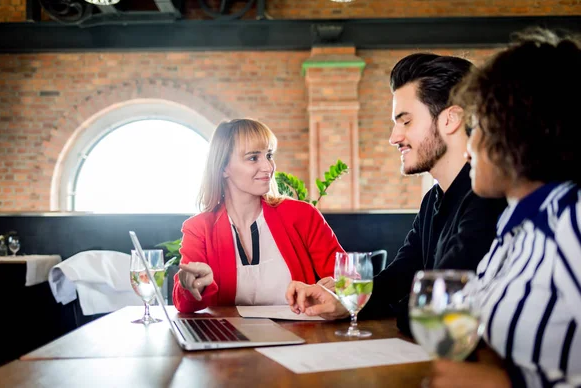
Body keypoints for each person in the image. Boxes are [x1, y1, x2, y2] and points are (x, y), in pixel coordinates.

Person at [286, 53, 507, 334]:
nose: (394, 137)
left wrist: (394, 305)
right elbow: (401, 274)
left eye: (406, 122)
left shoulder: (487, 197)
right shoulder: (433, 199)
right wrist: (345, 300)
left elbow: (438, 308)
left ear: (450, 119)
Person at [428, 28, 581, 387]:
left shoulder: (571, 219)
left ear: (517, 129)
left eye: (478, 125)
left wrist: (506, 384)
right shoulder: (517, 226)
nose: (468, 147)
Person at [172, 118, 344, 313]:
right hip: (231, 339)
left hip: (300, 336)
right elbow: (185, 306)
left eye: (269, 155)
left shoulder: (302, 215)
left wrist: (336, 287)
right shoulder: (198, 228)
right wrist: (191, 286)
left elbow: (347, 280)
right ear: (223, 168)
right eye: (253, 158)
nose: (268, 167)